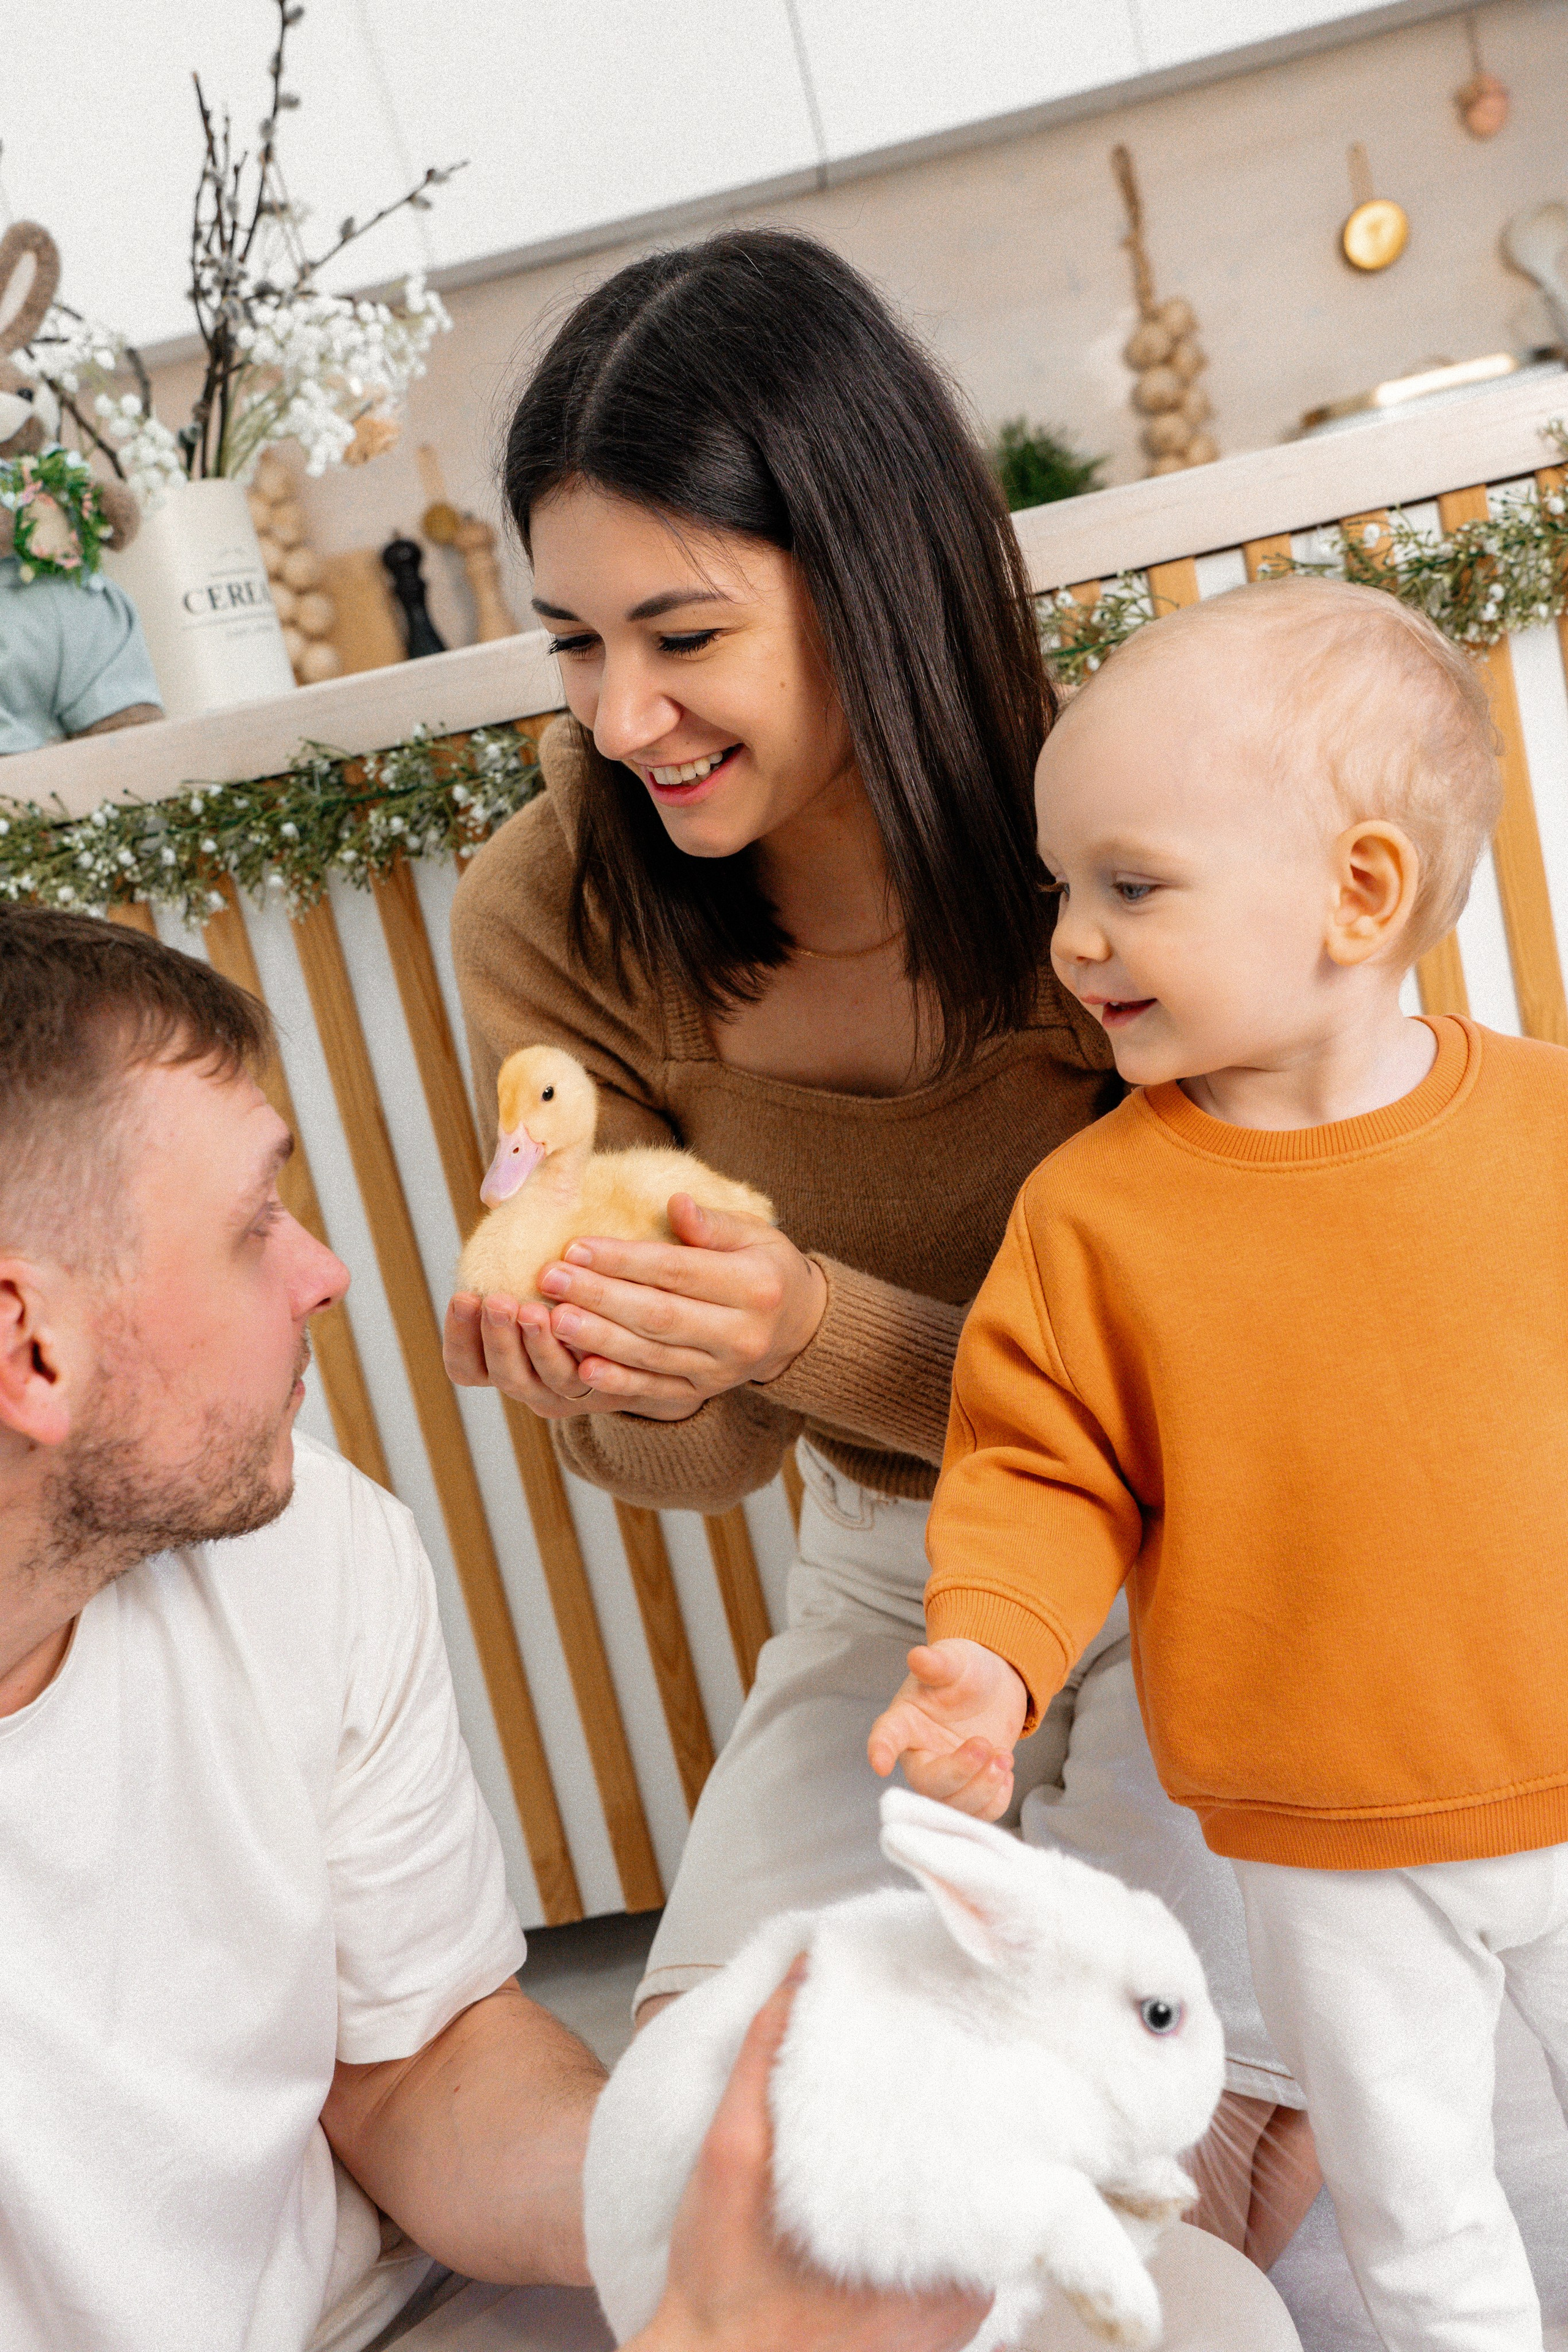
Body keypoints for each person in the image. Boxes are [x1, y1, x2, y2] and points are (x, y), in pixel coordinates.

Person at [447, 225, 1311, 2320]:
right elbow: (699, 1469)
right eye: (571, 643)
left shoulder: (1121, 829)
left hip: (1222, 1551)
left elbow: (1238, 1381)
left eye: (683, 634)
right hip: (892, 1576)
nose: (622, 717)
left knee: (1164, 2189)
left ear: (872, 575)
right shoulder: (558, 909)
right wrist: (632, 1374)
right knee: (696, 2162)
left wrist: (810, 1326)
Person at [0, 905, 992, 2352]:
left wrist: (704, 2200)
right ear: (29, 1346)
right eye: (253, 1224)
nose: (323, 1271)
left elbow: (414, 2066)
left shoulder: (311, 1544)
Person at [870, 575, 1568, 2352]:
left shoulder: (1550, 1130)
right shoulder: (1095, 1217)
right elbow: (1039, 1467)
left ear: (1358, 896)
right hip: (1326, 1835)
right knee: (1421, 2201)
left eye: (1131, 886)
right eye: (1062, 892)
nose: (1073, 944)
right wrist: (990, 1656)